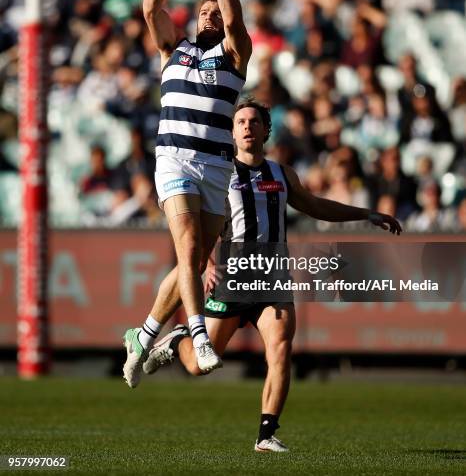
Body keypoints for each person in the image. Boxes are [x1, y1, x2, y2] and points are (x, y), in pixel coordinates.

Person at [141, 100, 402, 453]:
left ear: (266, 130)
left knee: (280, 349)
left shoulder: (281, 174)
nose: (247, 127)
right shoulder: (219, 172)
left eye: (254, 121)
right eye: (241, 122)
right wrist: (208, 262)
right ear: (232, 132)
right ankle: (176, 342)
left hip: (272, 275)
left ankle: (266, 434)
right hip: (233, 274)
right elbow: (194, 227)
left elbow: (315, 205)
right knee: (199, 366)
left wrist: (366, 213)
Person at [123, 0, 252, 385]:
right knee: (191, 248)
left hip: (216, 166)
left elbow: (236, 22)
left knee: (192, 265)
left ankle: (143, 335)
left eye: (214, 13)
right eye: (202, 12)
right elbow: (150, 7)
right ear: (194, 19)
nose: (209, 17)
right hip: (174, 159)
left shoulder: (235, 56)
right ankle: (196, 334)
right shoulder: (172, 50)